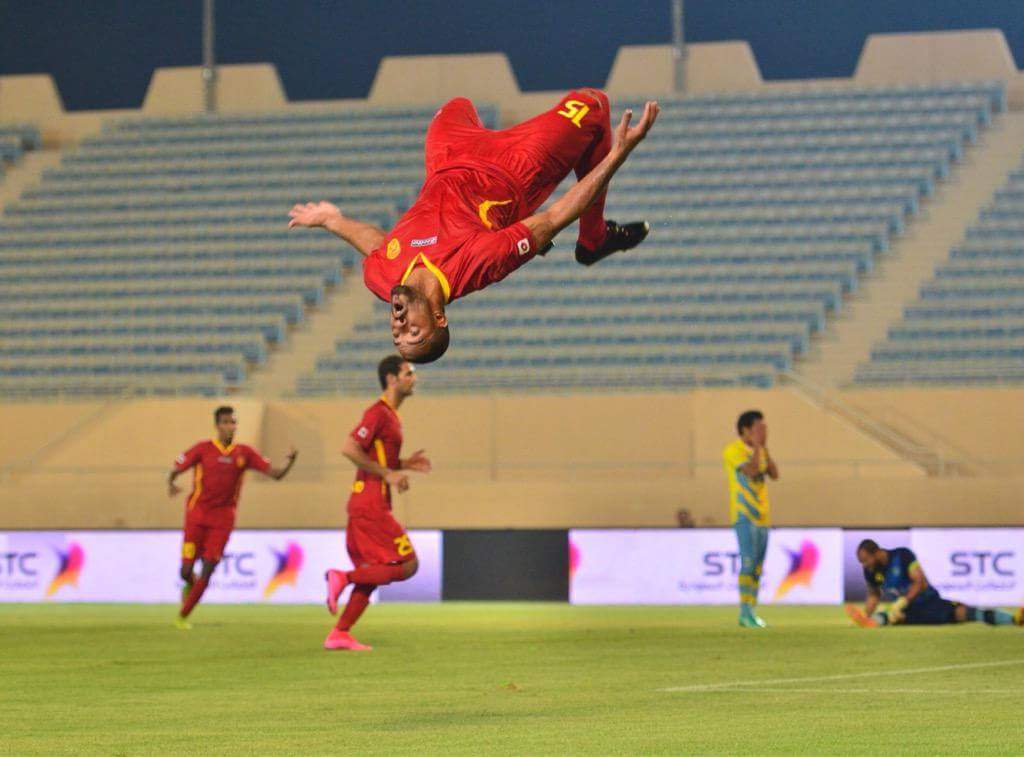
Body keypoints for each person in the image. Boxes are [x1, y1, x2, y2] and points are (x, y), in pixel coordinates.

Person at [288, 89, 660, 363]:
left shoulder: (382, 280)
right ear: (439, 317)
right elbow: (554, 216)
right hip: (514, 167)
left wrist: (331, 220)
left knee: (455, 104)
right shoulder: (478, 265)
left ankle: (511, 223)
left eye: (396, 334)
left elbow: (375, 244)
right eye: (413, 332)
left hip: (447, 159)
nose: (399, 327)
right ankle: (594, 240)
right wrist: (618, 154)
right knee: (593, 107)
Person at [323, 356, 432, 651]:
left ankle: (339, 633)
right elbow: (349, 447)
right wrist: (388, 474)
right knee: (408, 564)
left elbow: (379, 458)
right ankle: (342, 577)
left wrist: (403, 465)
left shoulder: (392, 417)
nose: (414, 378)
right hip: (370, 503)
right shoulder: (378, 413)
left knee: (373, 572)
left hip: (370, 500)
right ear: (391, 379)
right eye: (409, 373)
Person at [168, 406, 297, 629]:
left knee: (208, 568)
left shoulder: (244, 453)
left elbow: (275, 475)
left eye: (233, 422)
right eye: (226, 422)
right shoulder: (202, 449)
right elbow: (176, 468)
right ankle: (191, 585)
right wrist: (170, 482)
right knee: (185, 570)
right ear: (217, 425)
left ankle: (182, 616)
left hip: (222, 521)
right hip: (196, 517)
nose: (230, 427)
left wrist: (290, 462)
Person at [846, 539, 1024, 628]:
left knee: (969, 612)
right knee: (891, 617)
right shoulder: (870, 571)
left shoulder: (902, 555)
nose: (865, 565)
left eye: (866, 560)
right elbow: (874, 594)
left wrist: (903, 602)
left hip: (929, 602)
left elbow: (919, 582)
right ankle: (873, 621)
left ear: (876, 552)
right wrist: (866, 615)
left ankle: (1014, 619)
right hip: (907, 611)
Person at [722, 410, 779, 628]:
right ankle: (744, 611)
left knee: (757, 566)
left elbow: (774, 474)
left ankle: (752, 610)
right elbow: (753, 470)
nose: (764, 431)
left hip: (763, 517)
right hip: (744, 515)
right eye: (759, 428)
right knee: (747, 563)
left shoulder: (760, 450)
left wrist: (763, 447)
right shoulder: (732, 450)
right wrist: (757, 447)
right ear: (746, 429)